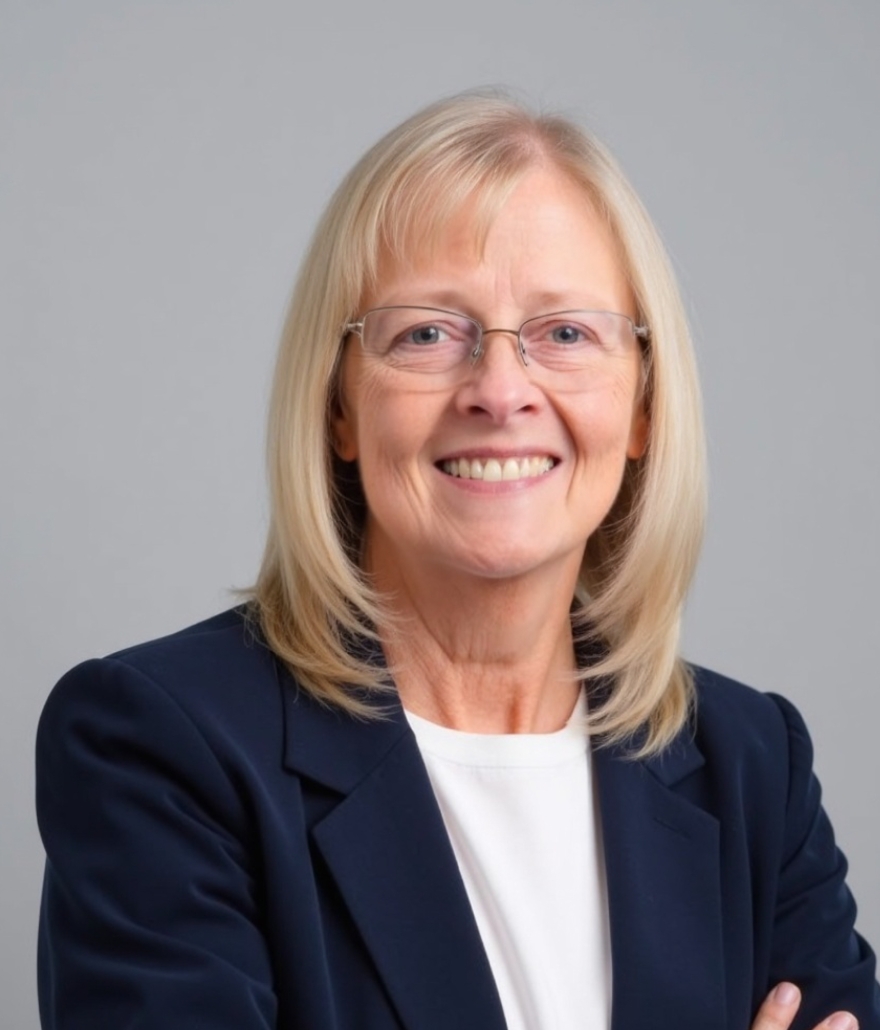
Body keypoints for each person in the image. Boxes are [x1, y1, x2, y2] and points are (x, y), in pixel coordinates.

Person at [36, 90, 879, 1030]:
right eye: (427, 333)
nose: (500, 391)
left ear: (644, 406)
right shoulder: (161, 745)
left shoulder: (751, 762)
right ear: (339, 408)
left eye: (566, 333)